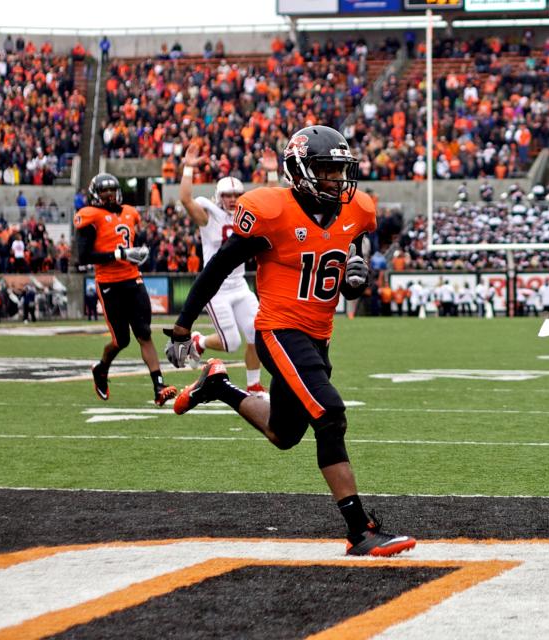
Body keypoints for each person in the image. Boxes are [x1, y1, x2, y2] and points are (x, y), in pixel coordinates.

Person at [164, 126, 415, 557]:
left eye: (340, 170)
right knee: (330, 413)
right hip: (279, 329)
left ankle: (218, 386)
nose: (337, 180)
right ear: (300, 172)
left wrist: (357, 269)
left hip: (319, 335)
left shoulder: (356, 207)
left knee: (284, 433)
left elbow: (353, 241)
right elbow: (219, 266)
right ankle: (360, 530)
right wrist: (185, 324)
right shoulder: (271, 211)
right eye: (326, 170)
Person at [178, 141, 278, 396]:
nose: (232, 200)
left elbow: (273, 199)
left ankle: (254, 385)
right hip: (217, 288)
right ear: (218, 197)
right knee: (230, 343)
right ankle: (199, 341)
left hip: (240, 285)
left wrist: (271, 173)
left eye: (235, 195)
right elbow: (186, 199)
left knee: (258, 333)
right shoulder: (208, 215)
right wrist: (188, 168)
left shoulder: (247, 213)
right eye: (227, 196)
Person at [75, 173, 177, 406]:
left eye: (112, 189)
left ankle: (159, 385)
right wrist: (118, 254)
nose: (109, 194)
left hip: (133, 279)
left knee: (144, 333)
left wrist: (139, 253)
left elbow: (131, 242)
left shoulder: (131, 212)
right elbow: (83, 256)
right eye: (103, 191)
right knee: (121, 341)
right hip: (109, 283)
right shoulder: (89, 216)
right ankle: (101, 368)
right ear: (95, 195)